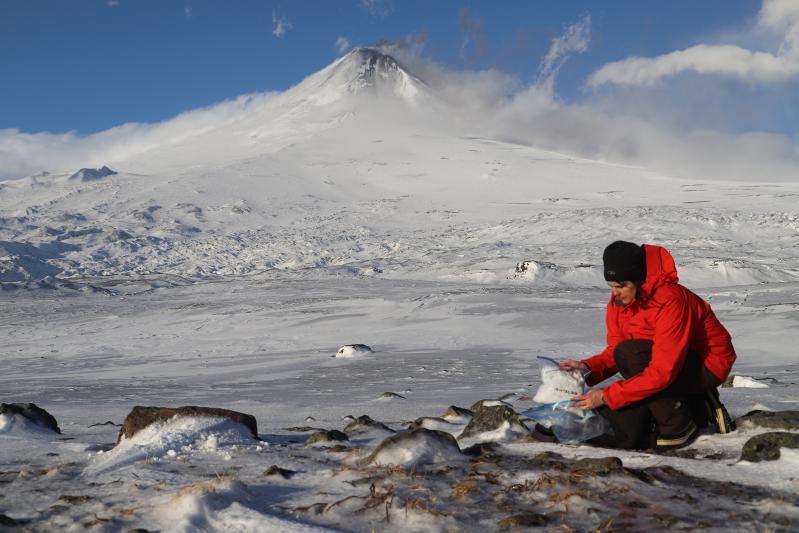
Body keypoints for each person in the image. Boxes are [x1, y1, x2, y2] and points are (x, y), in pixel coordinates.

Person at [561, 241, 736, 450]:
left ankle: (679, 426)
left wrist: (606, 396)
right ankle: (693, 405)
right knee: (625, 427)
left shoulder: (671, 300)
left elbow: (662, 371)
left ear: (639, 279)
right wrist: (586, 369)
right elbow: (614, 353)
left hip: (706, 364)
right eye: (611, 286)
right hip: (664, 361)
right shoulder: (620, 302)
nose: (615, 293)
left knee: (631, 355)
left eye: (621, 285)